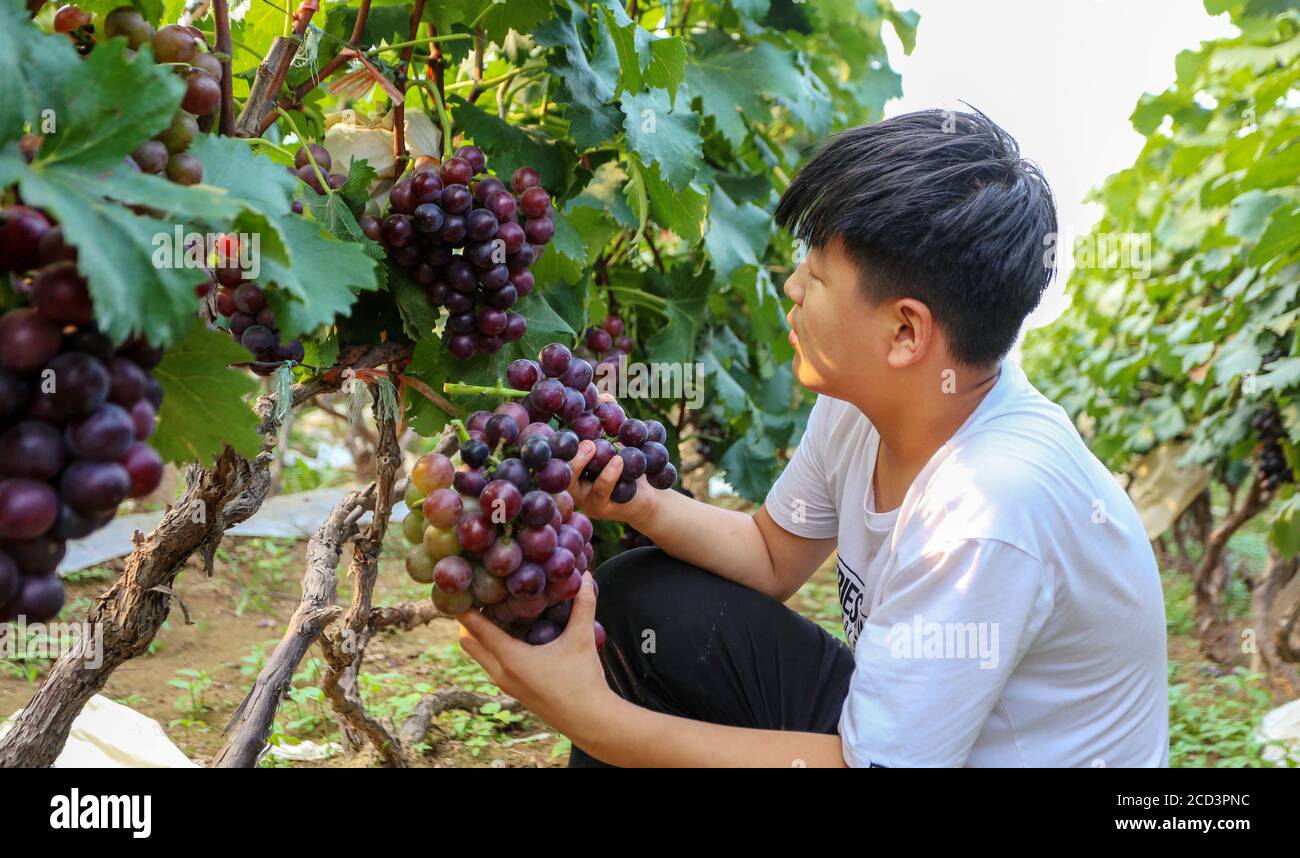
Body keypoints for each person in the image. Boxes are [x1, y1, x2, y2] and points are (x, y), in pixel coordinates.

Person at [457, 109, 1169, 768]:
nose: (791, 286)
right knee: (642, 595)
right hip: (926, 741)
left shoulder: (991, 509)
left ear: (905, 332)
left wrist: (594, 718)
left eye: (818, 275)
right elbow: (772, 555)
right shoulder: (865, 406)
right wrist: (640, 504)